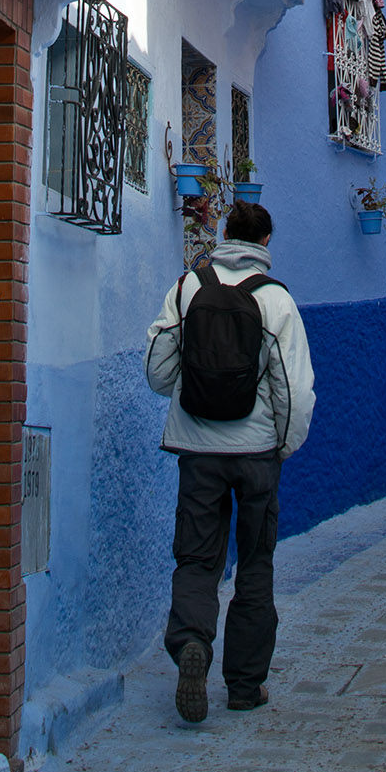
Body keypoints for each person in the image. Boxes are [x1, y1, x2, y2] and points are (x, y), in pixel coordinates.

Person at [145, 200, 315, 723]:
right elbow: (293, 388)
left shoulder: (187, 288)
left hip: (198, 452)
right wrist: (282, 445)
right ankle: (244, 684)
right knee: (256, 562)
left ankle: (192, 642)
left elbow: (158, 371)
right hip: (257, 452)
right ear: (266, 241)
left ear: (223, 234)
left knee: (197, 559)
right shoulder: (276, 300)